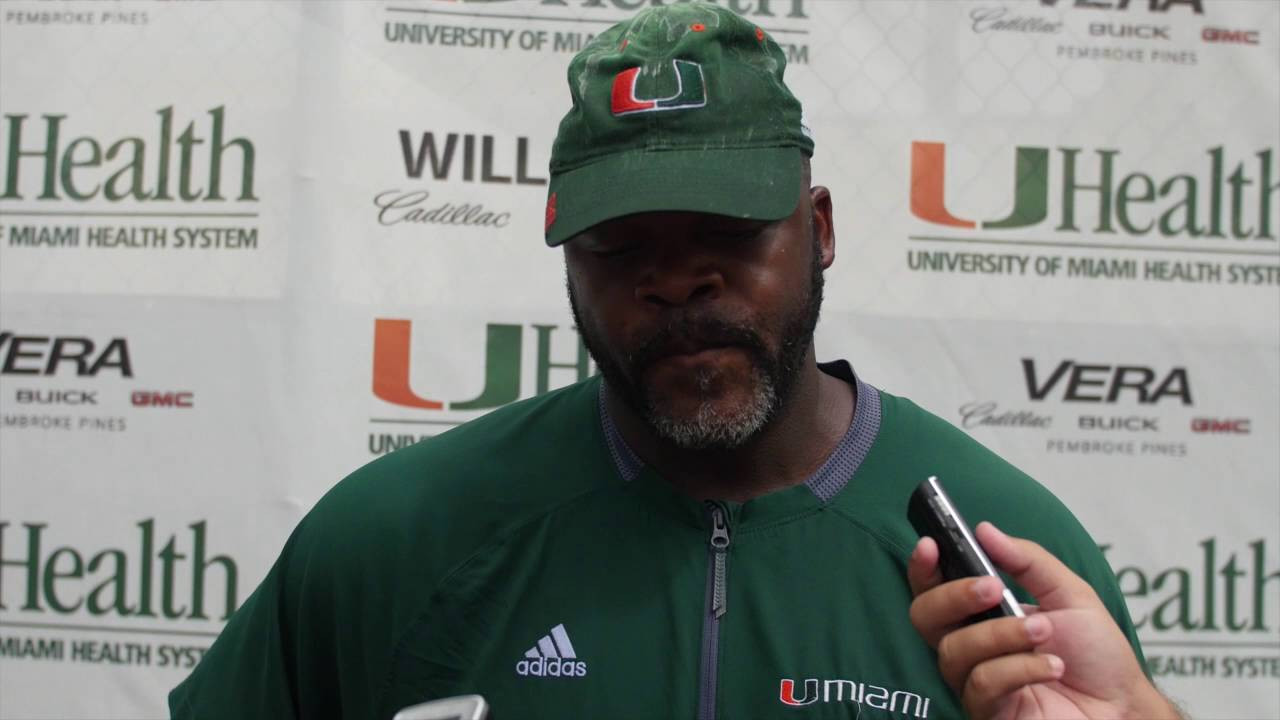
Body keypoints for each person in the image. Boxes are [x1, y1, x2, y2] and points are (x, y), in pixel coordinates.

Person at [170, 4, 1180, 719]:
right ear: (567, 259)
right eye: (622, 246)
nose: (677, 282)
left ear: (817, 229)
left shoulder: (999, 565)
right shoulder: (396, 539)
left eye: (729, 230)